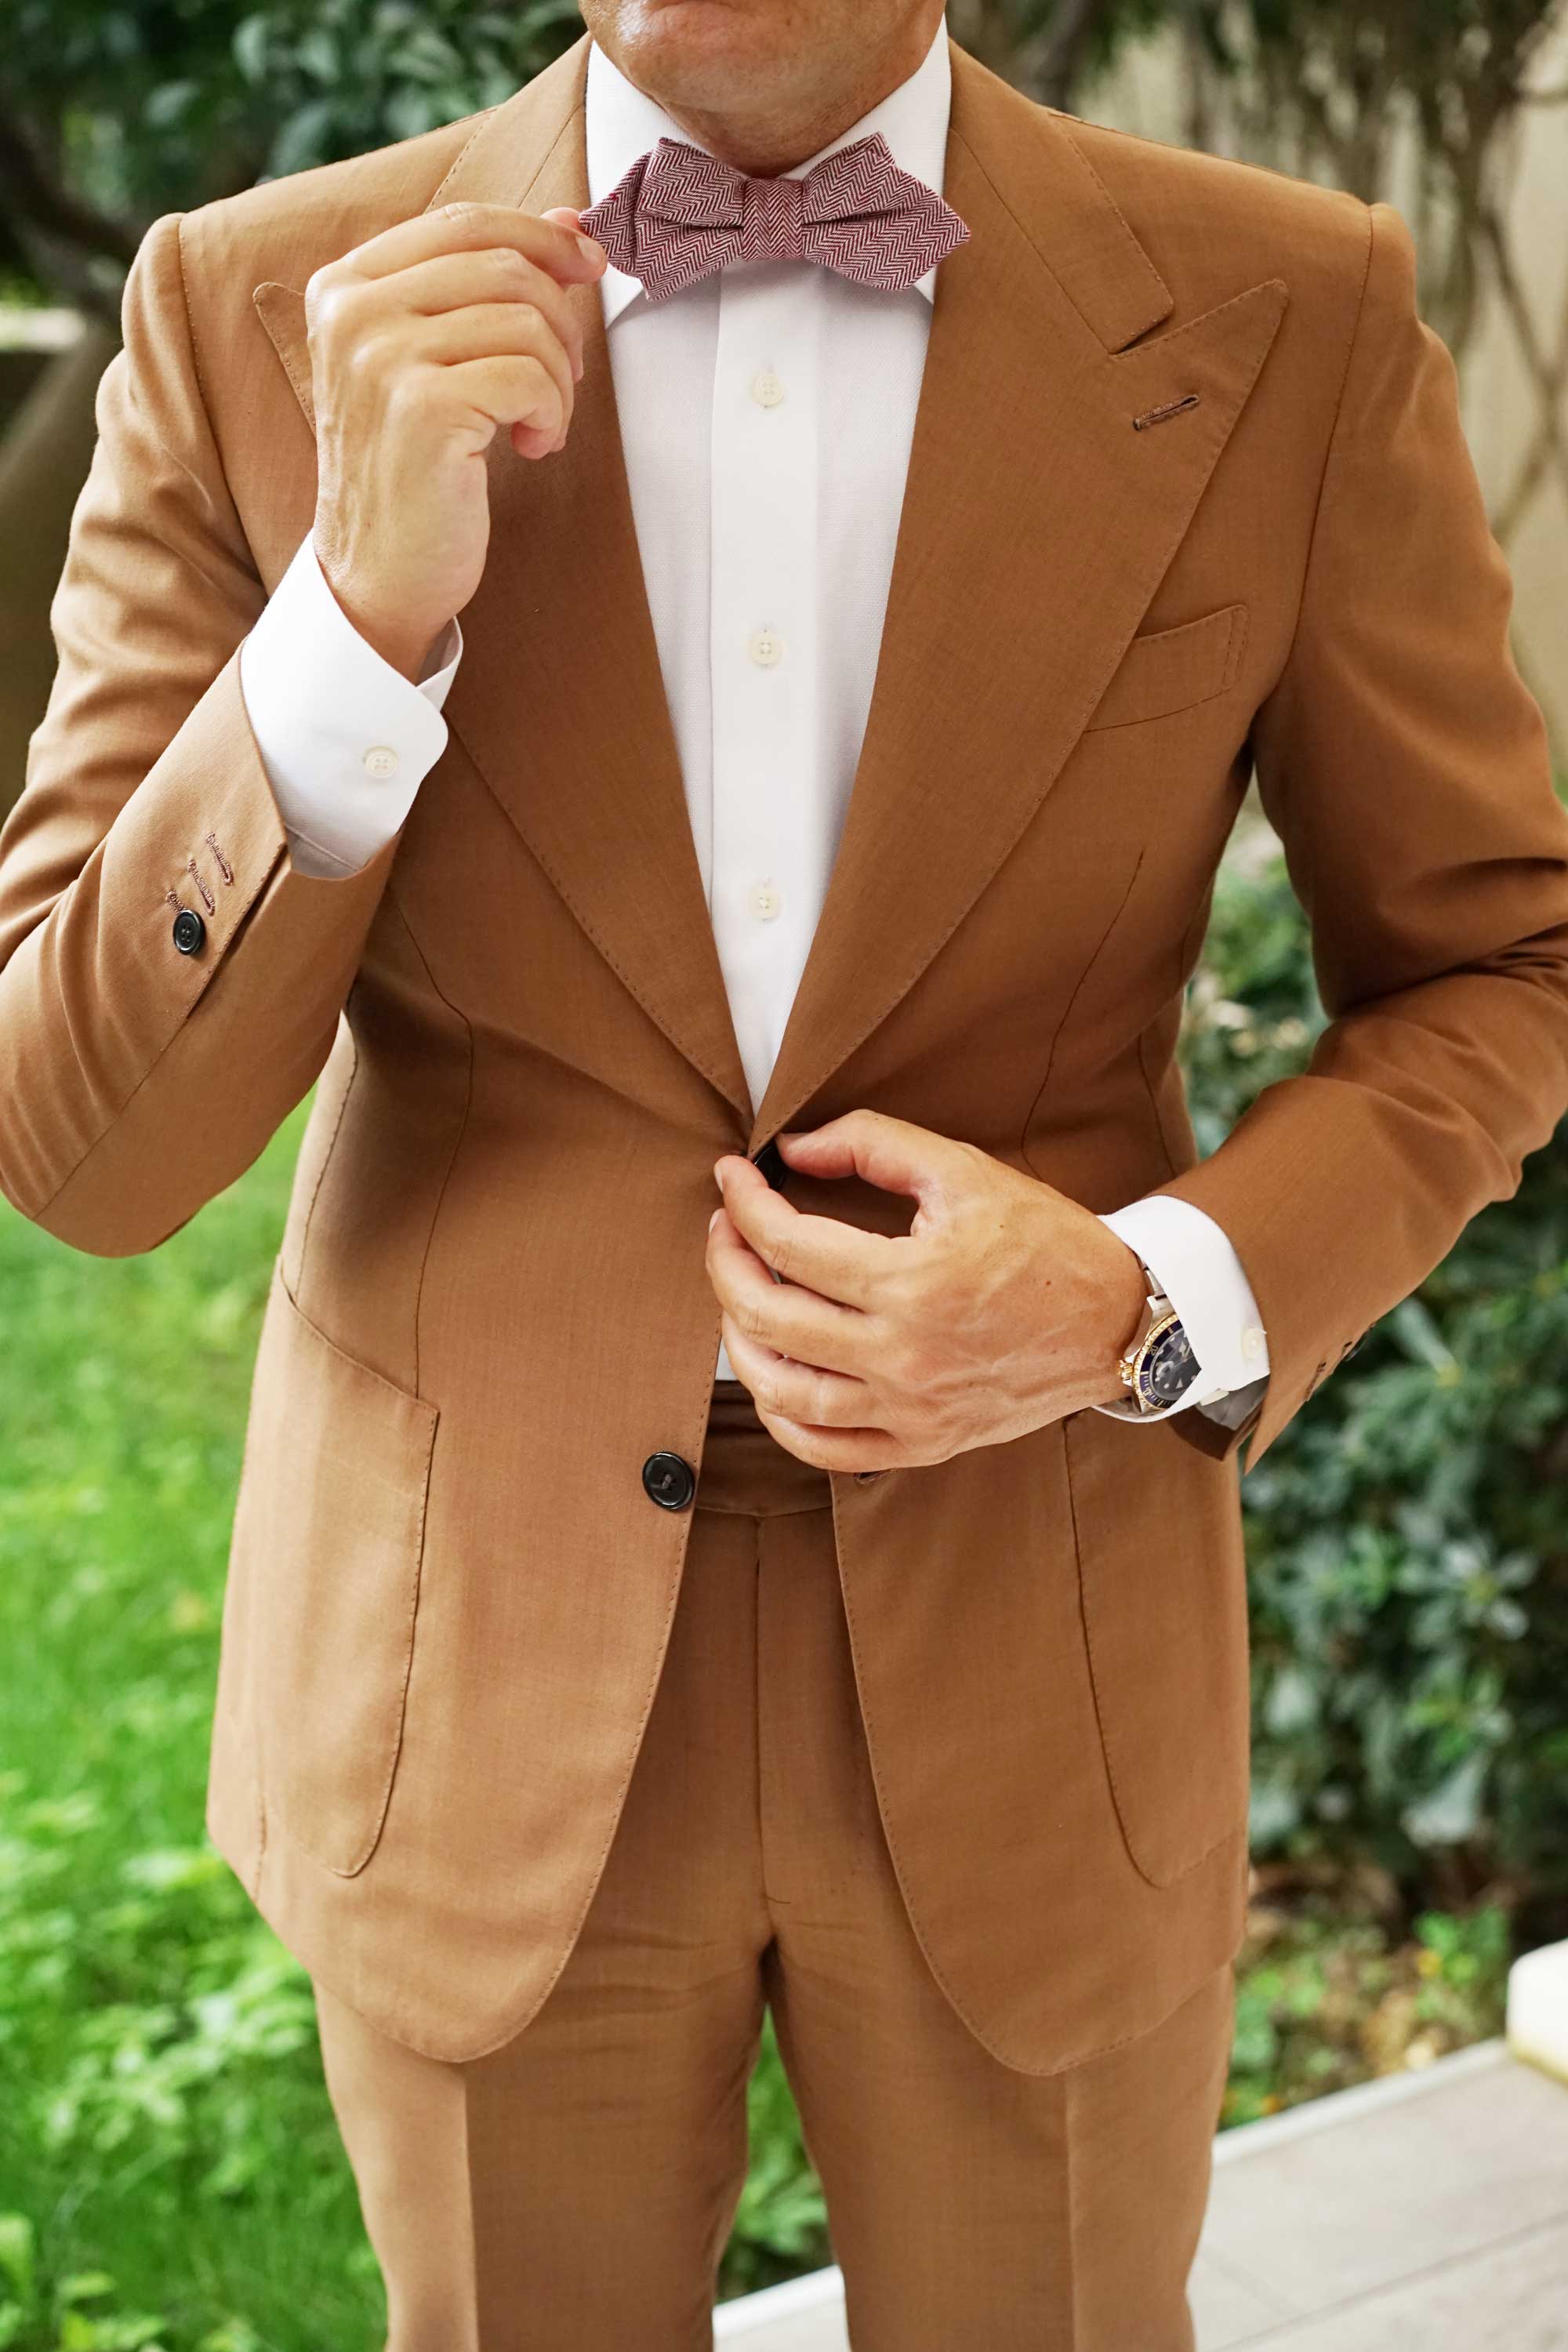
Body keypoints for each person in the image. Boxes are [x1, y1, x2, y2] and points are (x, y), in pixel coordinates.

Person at [2, 1, 1566, 2343]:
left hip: (1039, 1628)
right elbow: (84, 1151)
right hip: (481, 1672)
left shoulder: (1286, 306)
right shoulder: (249, 306)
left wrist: (1146, 1293)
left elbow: (1499, 968)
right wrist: (352, 619)